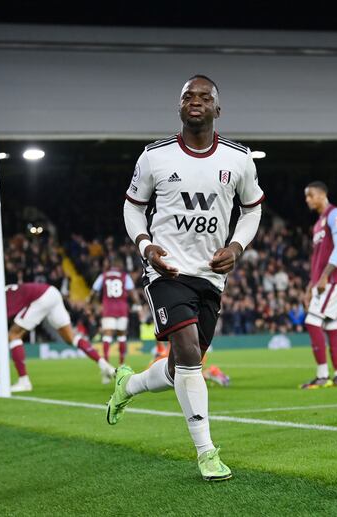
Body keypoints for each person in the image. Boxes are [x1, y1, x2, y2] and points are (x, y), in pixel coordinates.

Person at [108, 74, 263, 481]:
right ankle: (207, 452)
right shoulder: (154, 156)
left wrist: (236, 248)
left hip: (211, 277)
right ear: (179, 107)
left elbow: (252, 210)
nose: (195, 102)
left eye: (204, 97)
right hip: (167, 270)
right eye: (187, 97)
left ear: (217, 108)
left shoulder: (239, 159)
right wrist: (146, 247)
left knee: (181, 367)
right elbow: (132, 208)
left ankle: (130, 385)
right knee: (191, 354)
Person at [0, 283, 116, 391]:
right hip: (52, 292)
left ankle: (24, 381)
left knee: (14, 335)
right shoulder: (3, 292)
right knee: (71, 338)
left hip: (41, 297)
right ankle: (105, 366)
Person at [300, 181, 337, 389]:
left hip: (332, 279)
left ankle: (322, 375)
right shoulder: (319, 223)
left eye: (311, 195)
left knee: (312, 322)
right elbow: (317, 259)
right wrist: (310, 286)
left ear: (322, 195)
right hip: (323, 280)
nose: (308, 199)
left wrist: (324, 278)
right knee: (330, 324)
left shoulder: (335, 214)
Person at [90, 257, 139, 377]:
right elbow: (132, 292)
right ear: (120, 266)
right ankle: (121, 366)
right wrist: (137, 304)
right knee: (121, 336)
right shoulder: (124, 276)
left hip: (108, 308)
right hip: (122, 309)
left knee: (107, 336)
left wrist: (92, 303)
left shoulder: (104, 276)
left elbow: (94, 291)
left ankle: (106, 368)